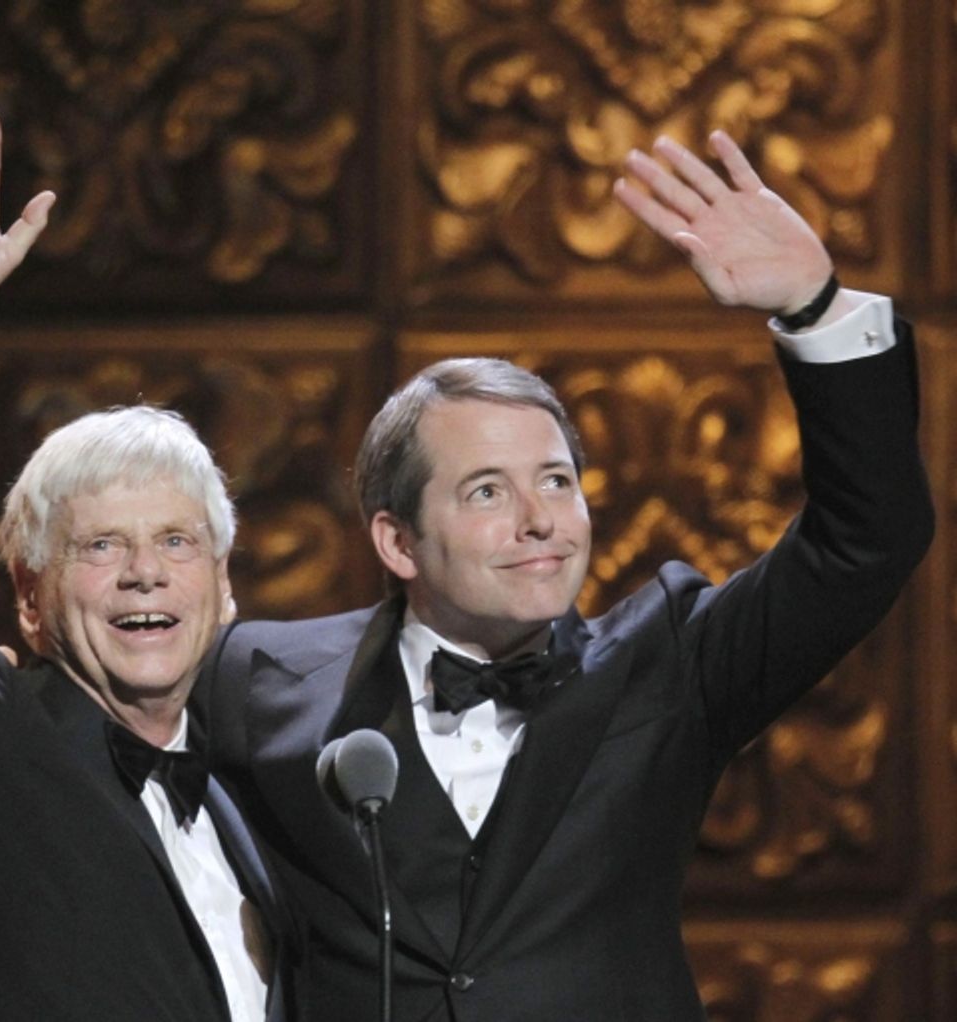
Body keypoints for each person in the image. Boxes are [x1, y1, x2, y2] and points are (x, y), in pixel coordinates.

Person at [195, 132, 935, 1019]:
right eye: (487, 491)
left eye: (555, 481)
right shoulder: (257, 679)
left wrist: (816, 309)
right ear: (397, 541)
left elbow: (867, 538)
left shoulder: (671, 664)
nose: (540, 518)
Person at [0, 99, 291, 1021]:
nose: (145, 572)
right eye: (101, 545)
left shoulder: (250, 808)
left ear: (224, 587)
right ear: (29, 598)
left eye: (177, 542)